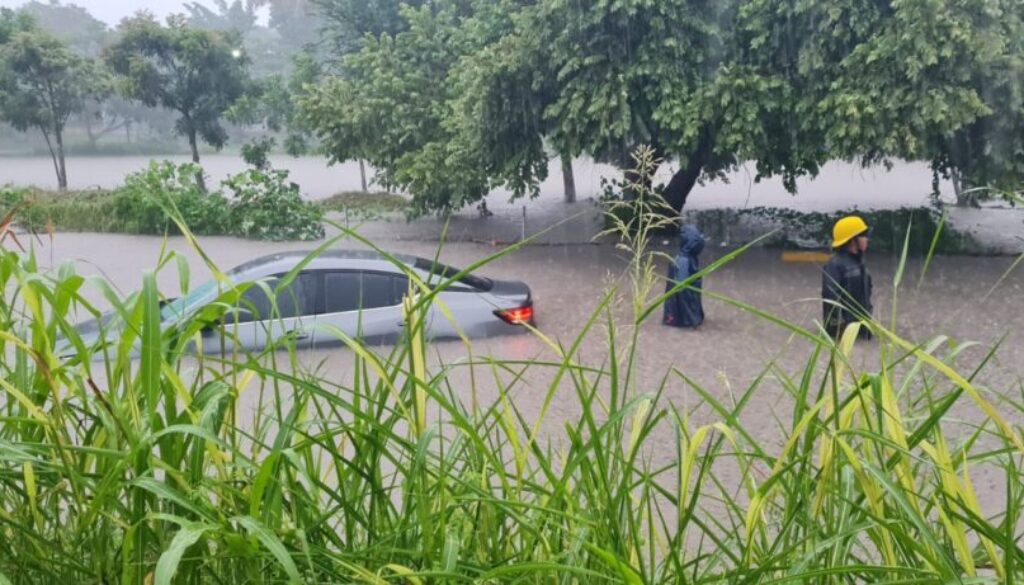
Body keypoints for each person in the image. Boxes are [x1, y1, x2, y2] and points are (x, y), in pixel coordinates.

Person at [822, 215, 873, 340]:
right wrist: (838, 329)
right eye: (863, 235)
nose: (866, 239)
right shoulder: (834, 265)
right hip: (844, 334)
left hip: (860, 331)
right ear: (852, 240)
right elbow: (830, 298)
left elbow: (866, 297)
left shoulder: (860, 263)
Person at [663, 225, 705, 328]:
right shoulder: (683, 260)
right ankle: (685, 320)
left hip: (680, 309)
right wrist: (692, 319)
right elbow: (681, 288)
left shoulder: (688, 258)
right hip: (679, 313)